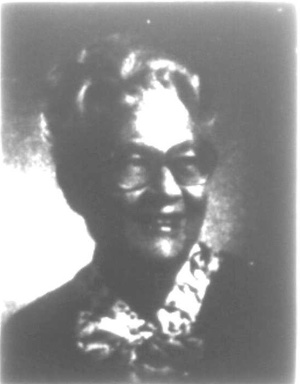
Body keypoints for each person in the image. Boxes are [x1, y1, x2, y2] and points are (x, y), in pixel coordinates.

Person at [2, 34, 258, 383]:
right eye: (134, 163)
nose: (167, 191)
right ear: (75, 185)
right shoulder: (30, 339)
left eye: (186, 162)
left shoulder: (273, 305)